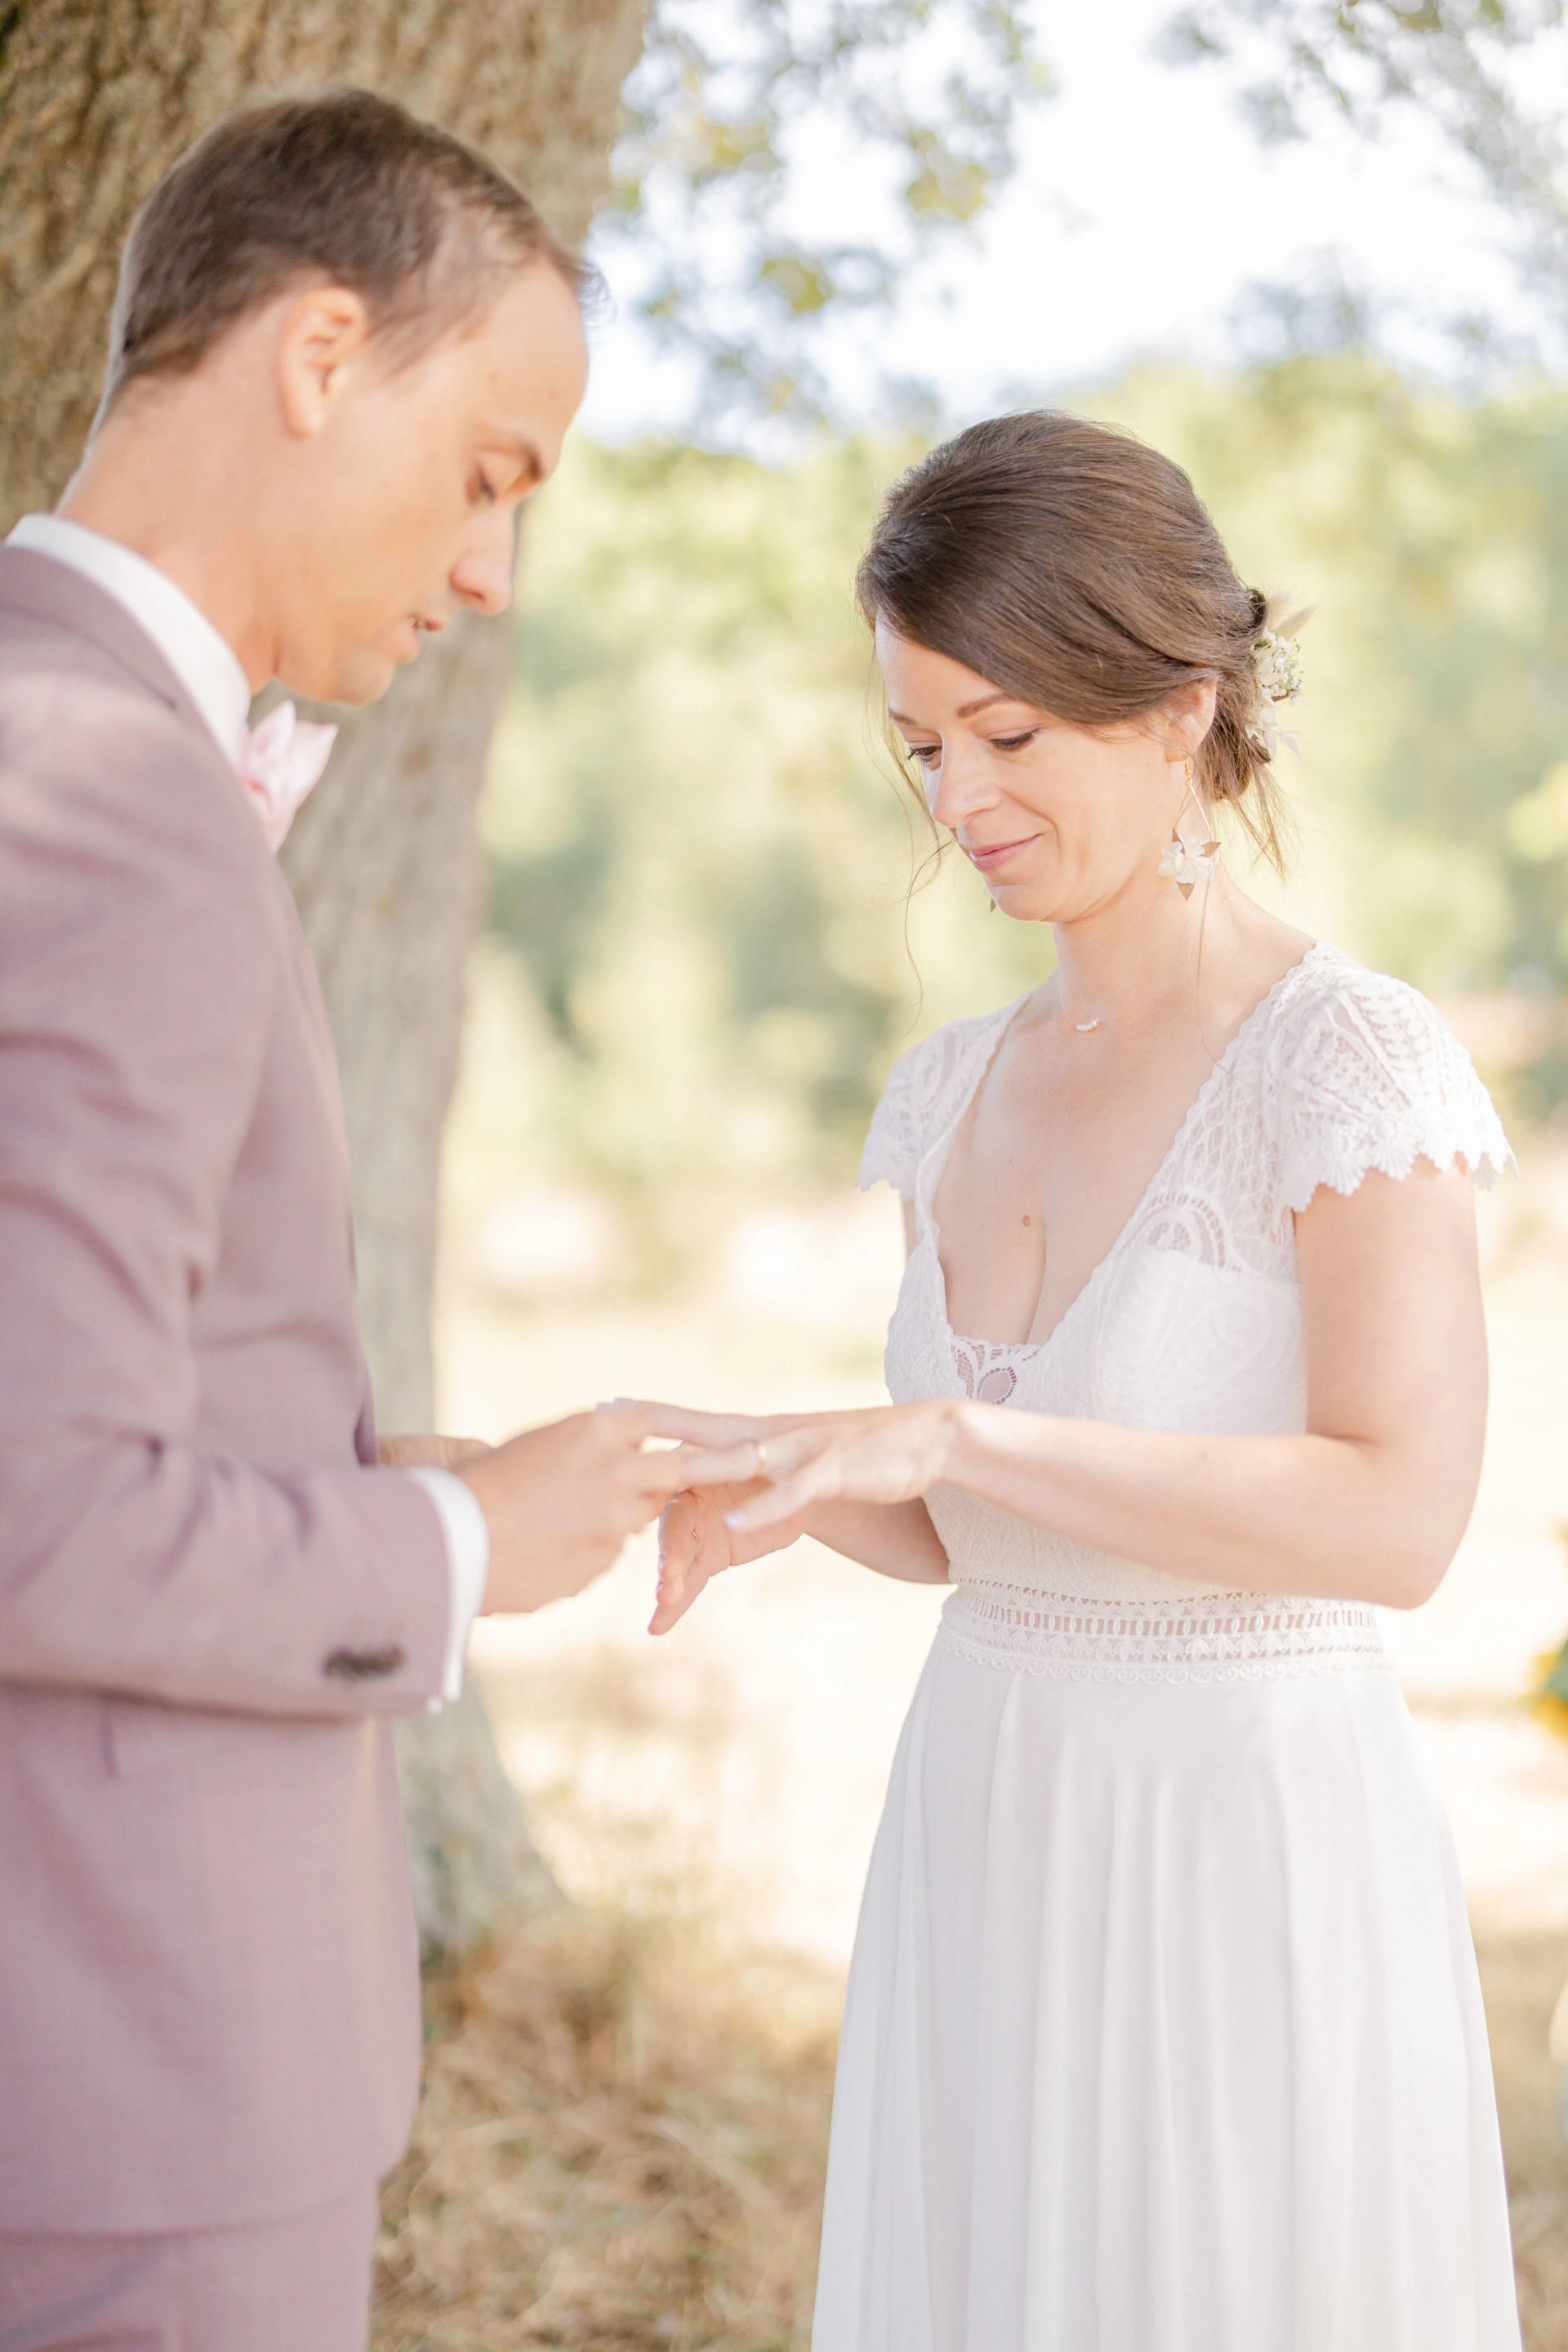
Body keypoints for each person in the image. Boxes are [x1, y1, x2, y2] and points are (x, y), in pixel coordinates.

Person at [645, 412, 1524, 2351]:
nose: (958, 794)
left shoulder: (1346, 1060)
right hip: (989, 1811)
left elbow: (1399, 1518)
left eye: (1008, 735)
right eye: (923, 744)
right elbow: (978, 1529)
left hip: (1243, 1840)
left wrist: (960, 1429)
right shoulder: (951, 1084)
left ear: (1178, 706)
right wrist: (758, 1464)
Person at [0, 89, 696, 2352]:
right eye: (494, 469)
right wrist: (472, 1558)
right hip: (127, 2084)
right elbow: (35, 1510)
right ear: (319, 357)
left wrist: (420, 1481)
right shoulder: (104, 794)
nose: (496, 571)